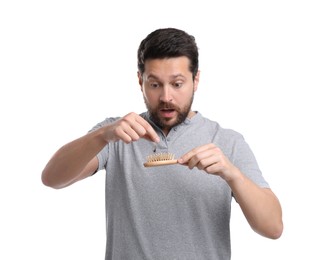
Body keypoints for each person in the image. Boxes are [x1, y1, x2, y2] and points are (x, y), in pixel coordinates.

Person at [42, 27, 283, 260]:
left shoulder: (227, 142)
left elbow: (273, 228)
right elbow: (51, 178)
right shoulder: (116, 135)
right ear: (140, 81)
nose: (166, 97)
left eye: (177, 84)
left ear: (195, 80)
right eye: (155, 84)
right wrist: (101, 136)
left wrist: (232, 174)